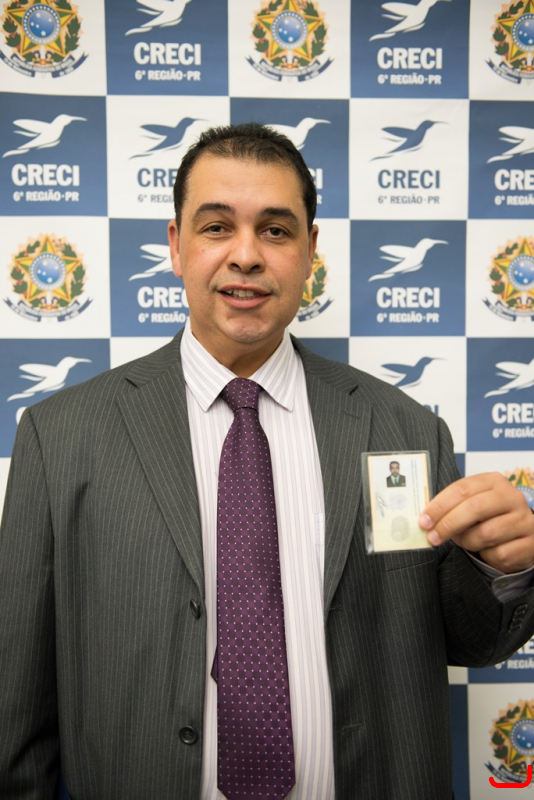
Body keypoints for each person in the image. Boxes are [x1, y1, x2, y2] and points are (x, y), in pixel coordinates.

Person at [1, 123, 534, 800]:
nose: (246, 255)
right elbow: (18, 710)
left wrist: (505, 570)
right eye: (216, 227)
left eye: (276, 231)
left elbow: (473, 643)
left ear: (310, 252)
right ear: (176, 246)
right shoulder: (60, 437)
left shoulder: (406, 429)